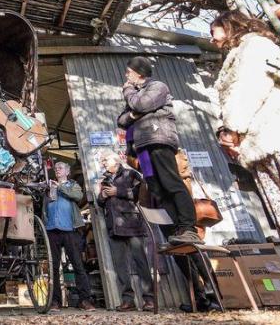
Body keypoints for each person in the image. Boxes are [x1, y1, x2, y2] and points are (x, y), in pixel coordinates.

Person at [210, 11, 280, 244]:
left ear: (229, 26)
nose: (212, 39)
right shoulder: (238, 53)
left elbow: (249, 87)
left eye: (214, 31)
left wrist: (232, 128)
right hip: (261, 143)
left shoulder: (255, 46)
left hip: (276, 135)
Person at [117, 56, 201, 245]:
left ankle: (188, 227)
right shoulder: (137, 94)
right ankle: (175, 231)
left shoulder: (157, 87)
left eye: (129, 72)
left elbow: (141, 105)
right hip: (143, 148)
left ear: (139, 73)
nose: (126, 75)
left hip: (158, 139)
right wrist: (133, 113)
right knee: (157, 189)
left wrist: (130, 93)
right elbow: (121, 121)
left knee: (171, 183)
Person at [96, 150, 154, 312]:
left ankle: (149, 299)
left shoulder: (131, 174)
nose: (103, 163)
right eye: (102, 161)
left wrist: (118, 192)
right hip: (114, 226)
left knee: (141, 263)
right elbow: (99, 202)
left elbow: (142, 193)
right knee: (120, 265)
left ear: (116, 160)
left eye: (105, 160)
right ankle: (128, 300)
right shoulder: (105, 179)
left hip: (132, 223)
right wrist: (102, 196)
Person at [45, 162, 96, 311]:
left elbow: (78, 196)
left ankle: (84, 300)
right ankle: (55, 301)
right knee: (53, 266)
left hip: (69, 229)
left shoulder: (73, 185)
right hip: (52, 229)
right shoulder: (49, 187)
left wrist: (59, 187)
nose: (57, 170)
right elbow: (44, 205)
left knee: (77, 264)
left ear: (67, 171)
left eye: (60, 168)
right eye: (56, 169)